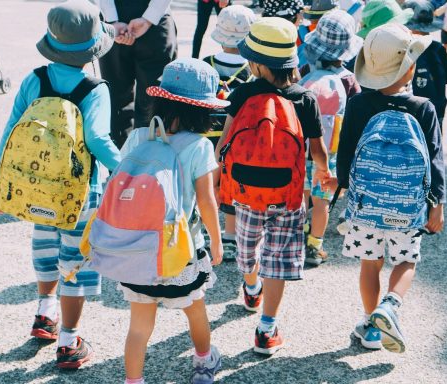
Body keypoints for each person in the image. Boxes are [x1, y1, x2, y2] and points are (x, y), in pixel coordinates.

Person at [0, 0, 121, 368]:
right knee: (75, 260)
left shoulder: (35, 79)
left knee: (45, 249)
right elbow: (97, 140)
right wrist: (126, 168)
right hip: (78, 194)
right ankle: (69, 341)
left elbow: (11, 130)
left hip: (34, 186)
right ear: (92, 48)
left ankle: (45, 314)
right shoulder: (95, 88)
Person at [216, 17, 329, 355]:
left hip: (247, 195)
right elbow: (318, 151)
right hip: (288, 195)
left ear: (254, 61)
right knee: (277, 260)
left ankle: (251, 287)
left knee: (248, 249)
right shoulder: (305, 99)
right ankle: (267, 329)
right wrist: (324, 172)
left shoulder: (242, 94)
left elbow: (224, 145)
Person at [333, 23, 446, 352]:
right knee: (406, 262)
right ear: (409, 66)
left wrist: (345, 189)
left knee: (371, 264)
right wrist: (436, 203)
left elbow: (346, 157)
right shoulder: (424, 107)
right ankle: (391, 305)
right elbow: (434, 159)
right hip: (408, 208)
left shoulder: (358, 105)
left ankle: (371, 329)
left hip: (366, 206)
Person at [118, 58, 225, 384]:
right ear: (203, 110)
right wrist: (217, 242)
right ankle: (204, 365)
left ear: (160, 100)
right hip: (180, 251)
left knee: (139, 327)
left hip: (136, 250)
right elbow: (206, 201)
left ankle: (133, 381)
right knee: (195, 310)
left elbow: (118, 182)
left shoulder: (138, 137)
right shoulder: (199, 147)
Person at [299, 10, 362, 266]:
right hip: (330, 153)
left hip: (301, 150)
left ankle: (294, 237)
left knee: (300, 197)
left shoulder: (304, 70)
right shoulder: (348, 80)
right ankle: (315, 246)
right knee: (321, 201)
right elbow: (355, 114)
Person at [202, 4, 256, 261]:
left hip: (204, 136)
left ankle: (204, 230)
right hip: (236, 137)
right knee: (232, 186)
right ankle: (230, 235)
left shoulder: (206, 65)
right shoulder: (252, 71)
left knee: (207, 184)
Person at [98, 0, 178, 148]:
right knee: (153, 101)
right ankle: (146, 162)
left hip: (120, 19)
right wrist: (149, 18)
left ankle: (120, 164)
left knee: (120, 101)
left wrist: (112, 19)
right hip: (155, 21)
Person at [404, 0, 447, 130]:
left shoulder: (404, 49)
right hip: (436, 107)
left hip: (409, 109)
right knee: (434, 142)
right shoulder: (438, 48)